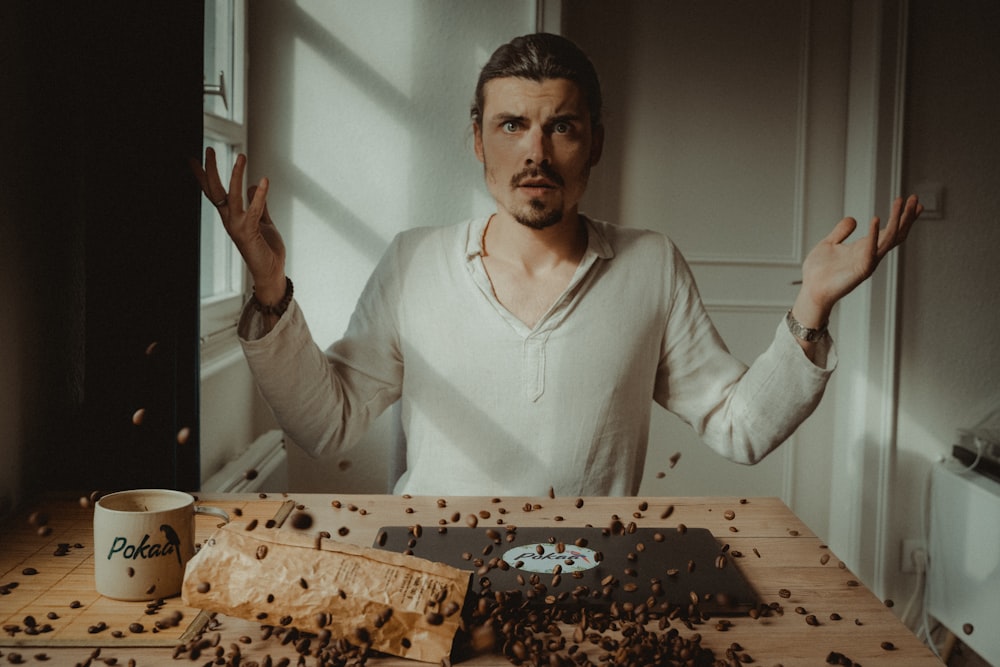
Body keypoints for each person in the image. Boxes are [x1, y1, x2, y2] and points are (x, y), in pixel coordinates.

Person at [194, 33, 921, 497]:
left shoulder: (651, 265)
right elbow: (327, 423)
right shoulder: (413, 261)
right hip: (435, 568)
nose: (536, 153)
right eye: (512, 125)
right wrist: (267, 287)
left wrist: (812, 309)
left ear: (595, 143)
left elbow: (741, 427)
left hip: (593, 575)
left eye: (561, 127)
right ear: (477, 141)